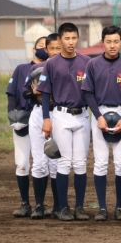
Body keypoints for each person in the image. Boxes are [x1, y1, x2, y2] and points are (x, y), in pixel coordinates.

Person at [37, 23, 91, 222]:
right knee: (64, 162)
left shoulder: (86, 62)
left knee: (80, 163)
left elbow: (91, 92)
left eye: (74, 38)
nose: (71, 42)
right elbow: (45, 93)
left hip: (82, 115)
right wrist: (46, 119)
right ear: (59, 40)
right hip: (61, 115)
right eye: (67, 38)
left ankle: (79, 207)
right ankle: (63, 207)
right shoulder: (51, 64)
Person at [81, 25, 121, 222]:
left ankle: (119, 207)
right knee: (101, 162)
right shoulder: (93, 64)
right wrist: (98, 116)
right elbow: (88, 92)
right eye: (108, 41)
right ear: (102, 42)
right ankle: (102, 208)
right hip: (101, 113)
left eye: (116, 41)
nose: (112, 45)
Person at [7, 36, 47, 218]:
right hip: (24, 117)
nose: (44, 48)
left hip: (42, 118)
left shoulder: (52, 68)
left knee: (44, 163)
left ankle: (41, 205)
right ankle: (25, 204)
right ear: (34, 49)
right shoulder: (21, 69)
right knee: (22, 163)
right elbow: (11, 93)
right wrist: (11, 112)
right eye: (41, 46)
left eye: (47, 46)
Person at [23, 34, 62, 219]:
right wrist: (33, 91)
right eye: (51, 48)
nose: (55, 52)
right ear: (45, 50)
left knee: (56, 162)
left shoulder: (67, 68)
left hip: (60, 113)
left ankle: (57, 206)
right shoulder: (37, 68)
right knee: (39, 162)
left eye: (58, 48)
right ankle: (39, 205)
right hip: (39, 114)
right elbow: (25, 92)